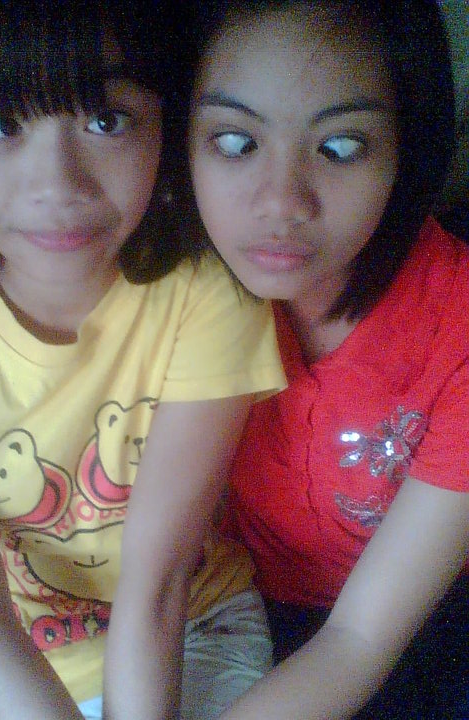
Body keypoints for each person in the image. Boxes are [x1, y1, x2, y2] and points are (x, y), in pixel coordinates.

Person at [0, 1, 286, 719]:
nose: (58, 185)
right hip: (21, 649)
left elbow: (158, 586)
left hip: (194, 625)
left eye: (107, 120)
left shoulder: (205, 295)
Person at [188, 0, 469, 718]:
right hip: (237, 600)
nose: (282, 203)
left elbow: (361, 637)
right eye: (234, 141)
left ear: (406, 148)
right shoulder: (172, 288)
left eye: (341, 148)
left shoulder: (457, 327)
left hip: (414, 615)